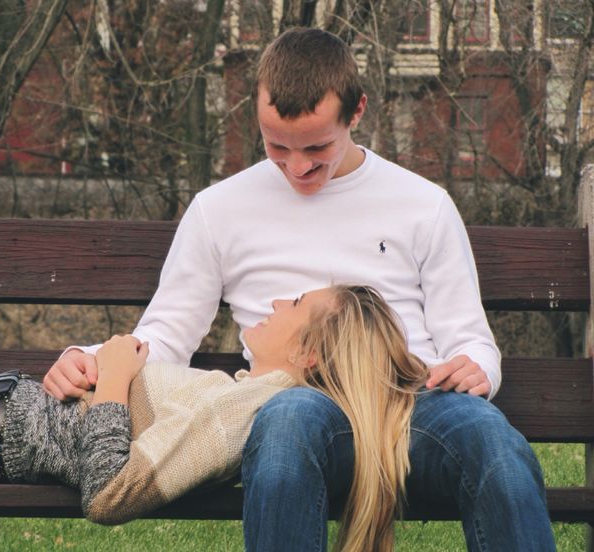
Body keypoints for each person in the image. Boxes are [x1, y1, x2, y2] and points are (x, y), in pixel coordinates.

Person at [43, 27, 555, 551]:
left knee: (497, 446)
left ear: (356, 113)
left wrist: (475, 366)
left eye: (316, 147)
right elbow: (168, 333)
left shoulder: (423, 204)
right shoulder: (219, 208)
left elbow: (470, 337)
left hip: (411, 401)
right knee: (284, 427)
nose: (297, 166)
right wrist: (92, 360)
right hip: (298, 396)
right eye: (276, 146)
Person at [0, 285, 425, 551]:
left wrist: (113, 377)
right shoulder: (250, 396)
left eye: (296, 304)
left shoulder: (240, 415)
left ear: (310, 356)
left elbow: (109, 493)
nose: (278, 303)